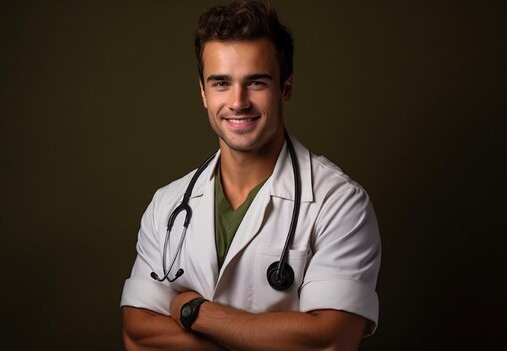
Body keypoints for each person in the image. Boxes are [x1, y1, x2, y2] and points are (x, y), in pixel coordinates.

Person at [120, 1, 381, 350]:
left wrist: (194, 311)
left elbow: (328, 343)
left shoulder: (340, 203)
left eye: (256, 82)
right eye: (221, 83)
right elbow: (138, 334)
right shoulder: (167, 205)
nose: (238, 101)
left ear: (285, 89)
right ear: (203, 93)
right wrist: (257, 338)